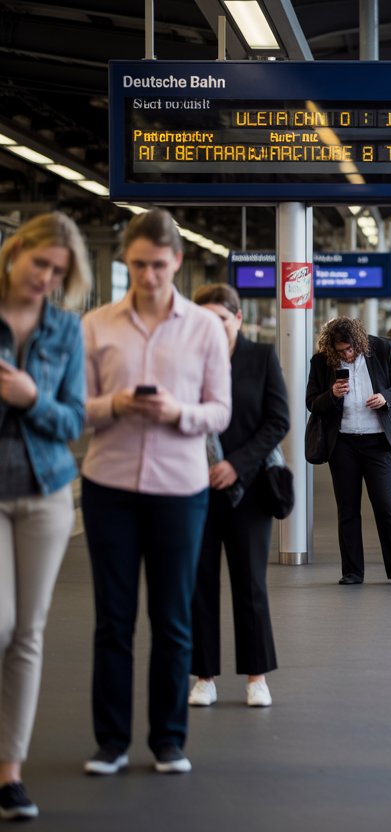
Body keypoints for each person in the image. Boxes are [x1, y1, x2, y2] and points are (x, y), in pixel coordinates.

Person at [80, 209, 231, 776]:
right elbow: (77, 407)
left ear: (177, 262)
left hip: (180, 488)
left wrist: (178, 413)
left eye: (158, 266)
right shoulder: (95, 326)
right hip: (108, 486)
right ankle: (111, 742)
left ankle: (168, 740)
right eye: (138, 265)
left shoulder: (204, 328)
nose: (148, 277)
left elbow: (220, 409)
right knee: (113, 620)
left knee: (173, 618)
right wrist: (114, 405)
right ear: (125, 260)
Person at [0, 213, 90, 820]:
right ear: (16, 253)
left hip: (48, 491)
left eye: (58, 273)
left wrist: (32, 398)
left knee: (29, 632)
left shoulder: (64, 330)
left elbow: (73, 420)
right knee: (1, 624)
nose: (47, 279)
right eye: (40, 264)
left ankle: (10, 770)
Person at [188, 284, 288, 709]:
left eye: (221, 320)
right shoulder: (187, 360)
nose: (213, 328)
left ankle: (256, 676)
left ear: (238, 319)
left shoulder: (261, 358)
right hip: (196, 487)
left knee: (250, 584)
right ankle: (204, 677)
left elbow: (277, 419)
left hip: (249, 489)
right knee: (200, 584)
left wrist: (236, 464)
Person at [306, 316, 391, 585]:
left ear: (359, 341)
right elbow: (312, 403)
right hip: (342, 443)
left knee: (386, 506)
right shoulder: (322, 362)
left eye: (350, 349)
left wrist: (385, 397)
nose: (347, 355)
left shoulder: (383, 350)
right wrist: (331, 394)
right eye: (340, 351)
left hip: (376, 442)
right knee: (348, 510)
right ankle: (352, 571)